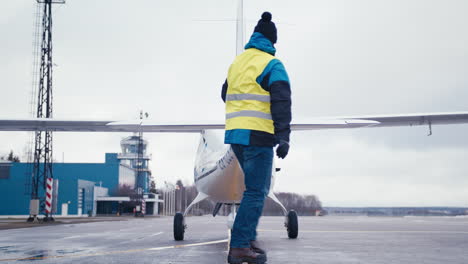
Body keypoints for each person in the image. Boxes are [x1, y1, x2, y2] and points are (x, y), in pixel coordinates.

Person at [221, 11, 292, 264]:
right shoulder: (273, 65)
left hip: (235, 136)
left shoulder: (237, 63)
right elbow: (281, 102)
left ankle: (248, 240)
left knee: (253, 190)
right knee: (255, 192)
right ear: (272, 42)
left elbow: (224, 94)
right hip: (259, 136)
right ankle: (240, 246)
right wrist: (284, 137)